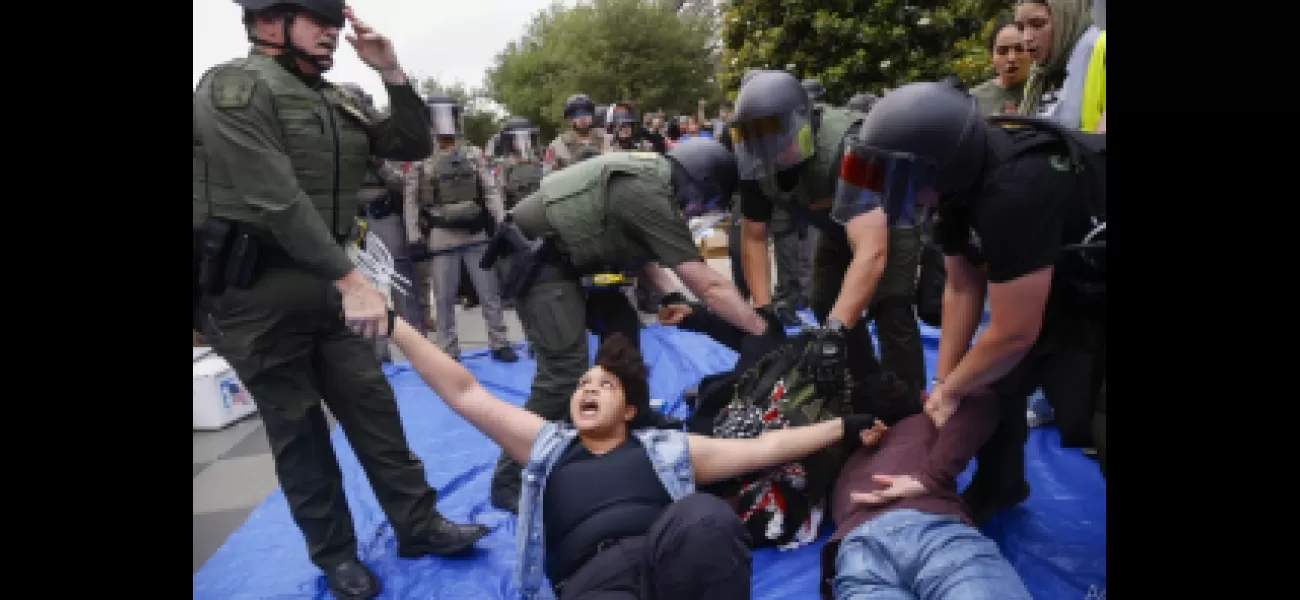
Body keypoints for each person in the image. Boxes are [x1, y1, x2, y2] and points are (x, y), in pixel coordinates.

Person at [192, 2, 487, 597]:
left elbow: (408, 143)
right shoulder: (234, 88)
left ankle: (418, 524)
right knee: (298, 429)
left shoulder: (337, 99)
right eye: (316, 16)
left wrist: (392, 73)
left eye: (334, 17)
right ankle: (336, 554)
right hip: (258, 291)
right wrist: (352, 281)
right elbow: (273, 198)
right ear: (270, 22)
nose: (332, 30)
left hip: (329, 282)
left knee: (374, 405)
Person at [385, 315, 886, 600]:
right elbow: (465, 393)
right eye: (583, 384)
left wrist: (845, 425)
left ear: (627, 409)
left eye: (604, 385)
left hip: (669, 562)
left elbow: (764, 448)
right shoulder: (548, 444)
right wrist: (393, 324)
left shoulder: (667, 448)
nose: (588, 389)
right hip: (593, 582)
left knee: (707, 517)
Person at [852, 79, 1106, 521]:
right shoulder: (954, 185)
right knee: (992, 384)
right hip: (1054, 273)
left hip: (1092, 285)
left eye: (903, 177)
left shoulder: (1016, 188)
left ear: (935, 167)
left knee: (1092, 414)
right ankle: (1000, 485)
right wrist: (948, 381)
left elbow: (1012, 334)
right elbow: (961, 285)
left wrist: (953, 387)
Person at [486, 138, 781, 514]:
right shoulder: (647, 191)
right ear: (698, 183)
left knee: (621, 326)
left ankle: (634, 412)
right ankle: (508, 479)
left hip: (564, 260)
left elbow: (645, 254)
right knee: (562, 372)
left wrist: (671, 299)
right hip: (535, 262)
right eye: (703, 203)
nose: (698, 211)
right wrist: (759, 330)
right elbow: (708, 284)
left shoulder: (652, 180)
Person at [730, 70, 927, 396]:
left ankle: (908, 398)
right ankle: (867, 381)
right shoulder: (756, 158)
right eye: (760, 147)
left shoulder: (850, 147)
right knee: (823, 300)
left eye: (778, 144)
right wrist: (764, 313)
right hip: (835, 225)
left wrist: (836, 329)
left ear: (803, 126)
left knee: (890, 307)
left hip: (888, 222)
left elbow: (871, 252)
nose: (771, 156)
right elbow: (753, 235)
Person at [823, 390, 1032, 600]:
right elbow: (985, 399)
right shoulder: (924, 424)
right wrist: (946, 396)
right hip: (929, 528)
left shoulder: (844, 465)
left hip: (858, 548)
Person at [405, 95, 518, 363]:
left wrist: (501, 221)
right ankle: (448, 349)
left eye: (448, 117)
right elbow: (411, 200)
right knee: (444, 299)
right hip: (442, 235)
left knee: (489, 293)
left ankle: (499, 341)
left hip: (475, 232)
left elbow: (489, 190)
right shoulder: (421, 159)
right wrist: (414, 236)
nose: (445, 123)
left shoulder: (473, 154)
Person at [337, 82, 421, 362]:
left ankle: (417, 345)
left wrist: (377, 163)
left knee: (400, 281)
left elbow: (404, 183)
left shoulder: (383, 139)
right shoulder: (333, 143)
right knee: (361, 284)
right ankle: (377, 353)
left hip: (382, 216)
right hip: (351, 221)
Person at [1016, 0, 1106, 132]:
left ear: (1066, 19)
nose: (1026, 38)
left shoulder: (1102, 49)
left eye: (1038, 25)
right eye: (1020, 28)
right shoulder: (1038, 73)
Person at [969, 14, 1032, 117]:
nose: (1011, 58)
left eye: (1019, 49)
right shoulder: (973, 100)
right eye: (1003, 51)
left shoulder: (1043, 91)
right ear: (991, 57)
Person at [544, 94, 610, 174]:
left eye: (586, 113)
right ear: (569, 120)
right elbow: (548, 177)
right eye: (577, 114)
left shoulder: (607, 140)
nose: (583, 118)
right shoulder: (557, 146)